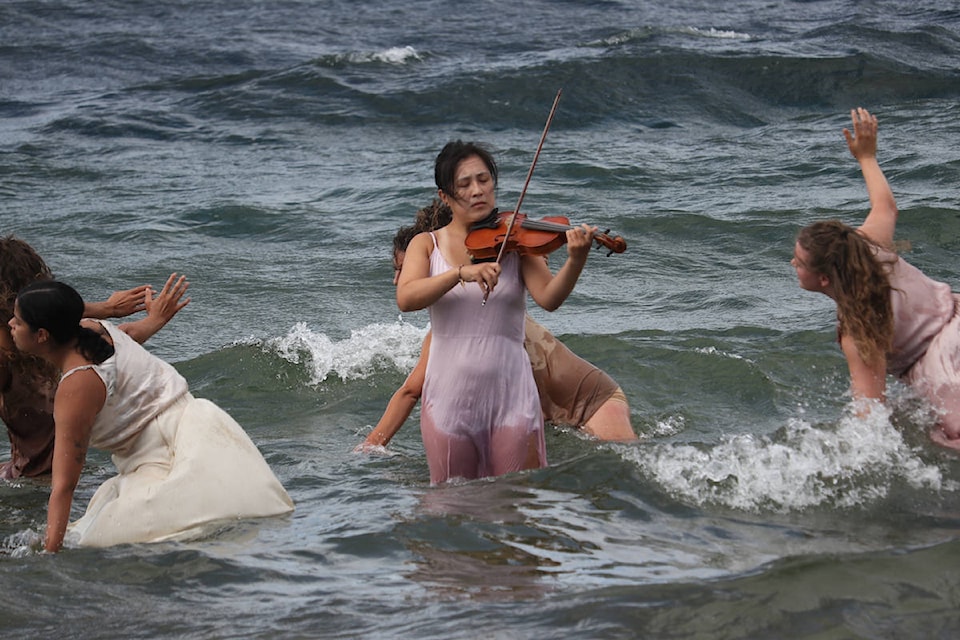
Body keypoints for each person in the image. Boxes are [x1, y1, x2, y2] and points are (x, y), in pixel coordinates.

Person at [9, 280, 294, 552]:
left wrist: (50, 554)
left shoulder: (75, 388)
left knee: (103, 541)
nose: (10, 325)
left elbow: (64, 485)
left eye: (18, 321)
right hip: (201, 426)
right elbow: (128, 340)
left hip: (162, 463)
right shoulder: (94, 330)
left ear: (42, 335)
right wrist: (151, 319)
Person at [395, 141, 598, 483]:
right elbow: (407, 297)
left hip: (512, 398)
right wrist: (459, 274)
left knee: (515, 506)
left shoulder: (515, 242)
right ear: (445, 196)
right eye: (464, 184)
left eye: (484, 180)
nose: (478, 191)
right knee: (452, 510)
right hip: (448, 401)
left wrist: (576, 260)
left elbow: (549, 298)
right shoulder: (427, 244)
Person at [358, 212, 636, 451]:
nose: (397, 279)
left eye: (402, 269)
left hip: (592, 401)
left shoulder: (484, 319)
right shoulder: (467, 323)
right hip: (552, 417)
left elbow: (410, 392)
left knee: (628, 470)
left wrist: (372, 444)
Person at [792, 107, 960, 449]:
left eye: (799, 262)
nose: (792, 263)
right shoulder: (866, 246)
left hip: (945, 370)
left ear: (824, 279)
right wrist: (866, 157)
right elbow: (886, 207)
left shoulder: (858, 327)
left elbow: (871, 415)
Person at [0, 235, 184, 480]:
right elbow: (123, 335)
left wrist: (106, 308)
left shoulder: (8, 357)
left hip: (26, 479)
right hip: (76, 476)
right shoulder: (66, 342)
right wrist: (153, 319)